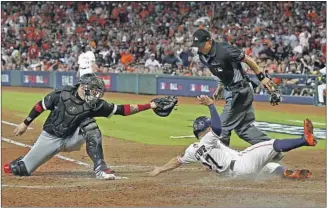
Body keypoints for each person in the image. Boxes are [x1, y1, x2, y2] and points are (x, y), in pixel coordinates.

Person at [3, 74, 177, 180]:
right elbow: (40, 106)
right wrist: (25, 123)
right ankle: (23, 161)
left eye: (98, 91)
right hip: (50, 137)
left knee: (90, 125)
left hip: (72, 138)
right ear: (83, 87)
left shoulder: (96, 105)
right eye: (94, 90)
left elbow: (122, 110)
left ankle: (100, 168)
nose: (96, 94)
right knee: (20, 170)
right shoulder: (61, 94)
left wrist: (150, 105)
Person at [190, 28, 293, 177]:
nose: (199, 48)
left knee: (221, 127)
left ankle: (222, 165)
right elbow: (220, 72)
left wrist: (261, 77)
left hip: (240, 91)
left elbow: (248, 60)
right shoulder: (202, 56)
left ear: (209, 41)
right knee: (243, 128)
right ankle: (275, 151)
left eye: (201, 44)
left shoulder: (225, 50)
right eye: (196, 45)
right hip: (230, 90)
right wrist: (219, 88)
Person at [147, 95, 316, 179]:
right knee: (271, 145)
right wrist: (211, 106)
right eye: (209, 125)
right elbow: (218, 128)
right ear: (205, 130)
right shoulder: (208, 139)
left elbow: (177, 160)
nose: (211, 126)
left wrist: (160, 169)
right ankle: (304, 139)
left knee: (269, 166)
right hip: (241, 164)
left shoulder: (192, 150)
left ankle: (289, 174)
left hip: (235, 175)